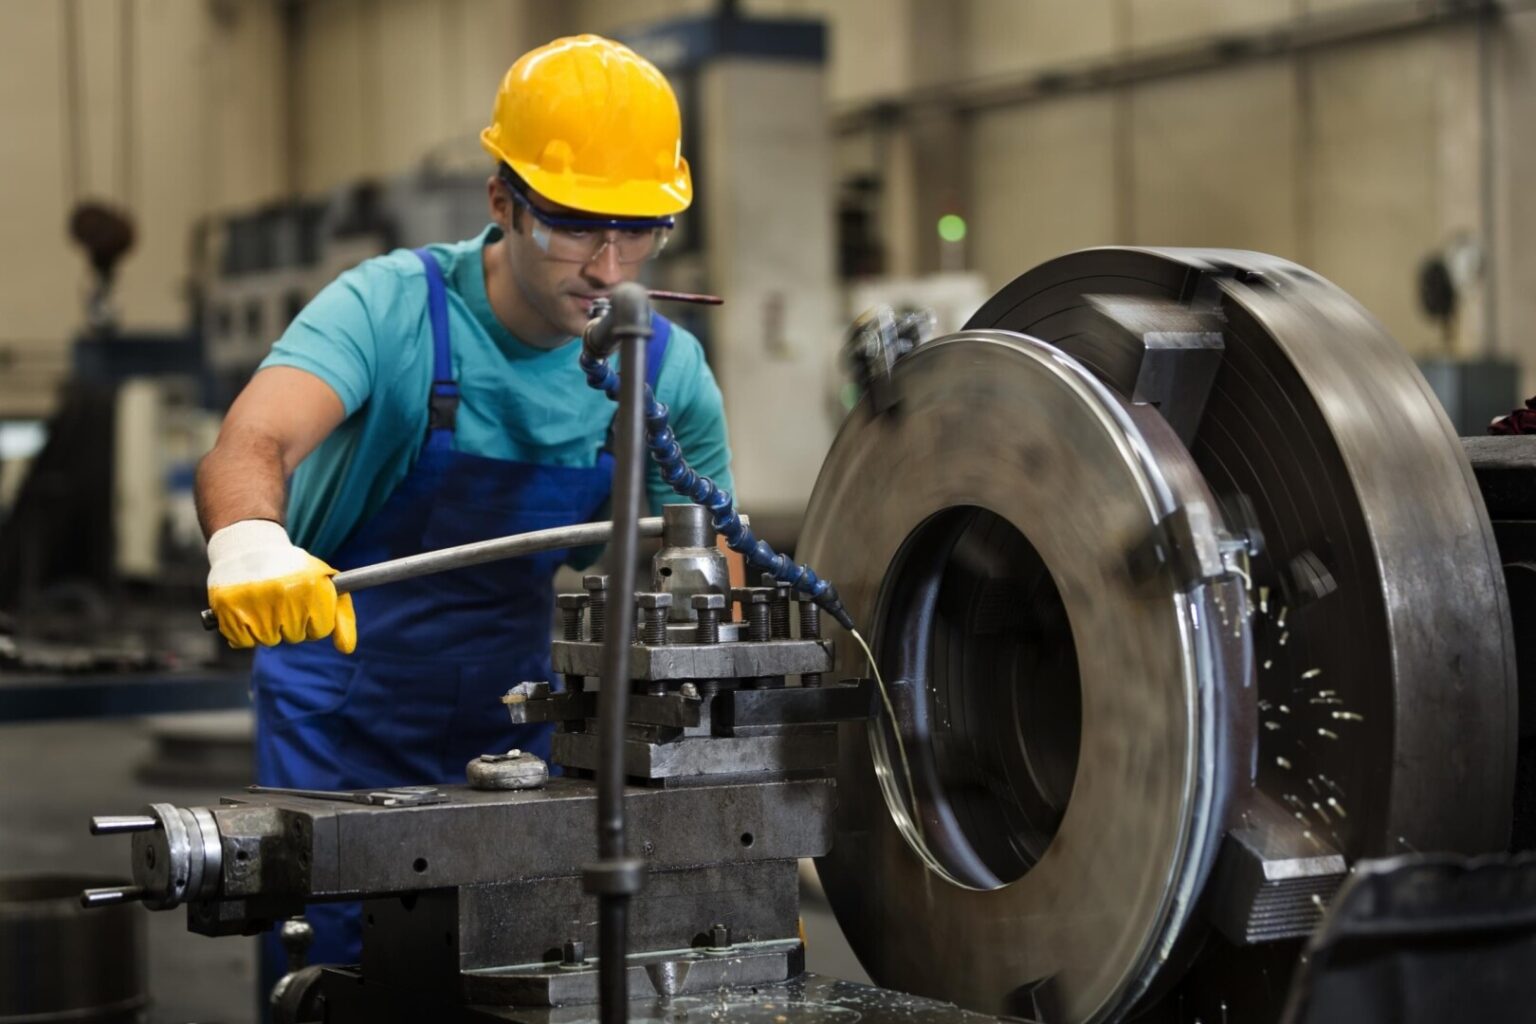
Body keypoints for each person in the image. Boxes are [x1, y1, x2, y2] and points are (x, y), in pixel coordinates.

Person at [195, 34, 734, 981]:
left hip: (514, 711)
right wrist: (246, 540)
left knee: (509, 962)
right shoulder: (390, 309)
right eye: (573, 225)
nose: (609, 268)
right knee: (333, 967)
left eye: (638, 230)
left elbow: (706, 560)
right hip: (341, 702)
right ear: (502, 202)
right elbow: (253, 442)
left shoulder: (665, 368)